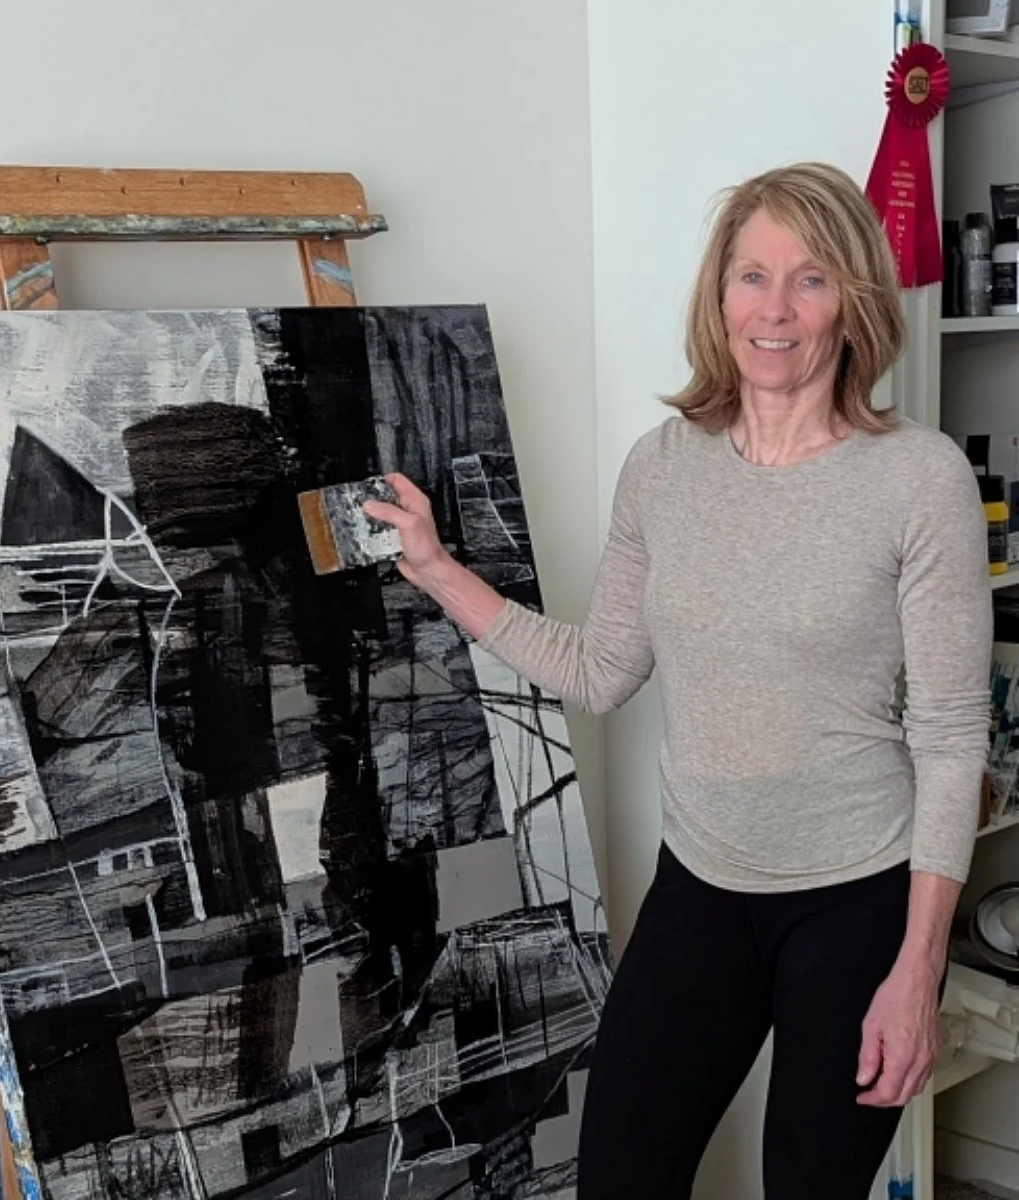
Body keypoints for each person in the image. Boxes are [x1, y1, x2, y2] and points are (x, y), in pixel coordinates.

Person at [364, 162, 993, 1199]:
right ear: (719, 298)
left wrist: (917, 970)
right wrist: (436, 569)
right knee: (620, 1175)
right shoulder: (662, 466)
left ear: (854, 303)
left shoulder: (917, 479)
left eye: (811, 279)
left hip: (857, 900)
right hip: (701, 883)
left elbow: (951, 733)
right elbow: (601, 671)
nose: (776, 310)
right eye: (752, 277)